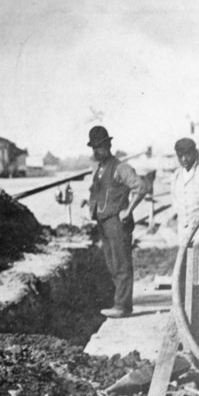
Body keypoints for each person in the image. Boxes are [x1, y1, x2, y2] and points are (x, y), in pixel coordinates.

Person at [86, 125, 147, 318]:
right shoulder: (99, 168)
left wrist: (128, 211)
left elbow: (141, 187)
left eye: (100, 146)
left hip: (117, 222)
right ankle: (119, 303)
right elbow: (98, 192)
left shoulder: (120, 167)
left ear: (108, 145)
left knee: (121, 264)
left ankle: (122, 306)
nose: (97, 151)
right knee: (112, 263)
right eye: (94, 147)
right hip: (103, 221)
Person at [171, 137, 199, 245]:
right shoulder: (176, 176)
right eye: (180, 156)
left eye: (187, 155)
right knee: (185, 255)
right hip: (183, 234)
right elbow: (175, 201)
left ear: (195, 153)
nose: (184, 159)